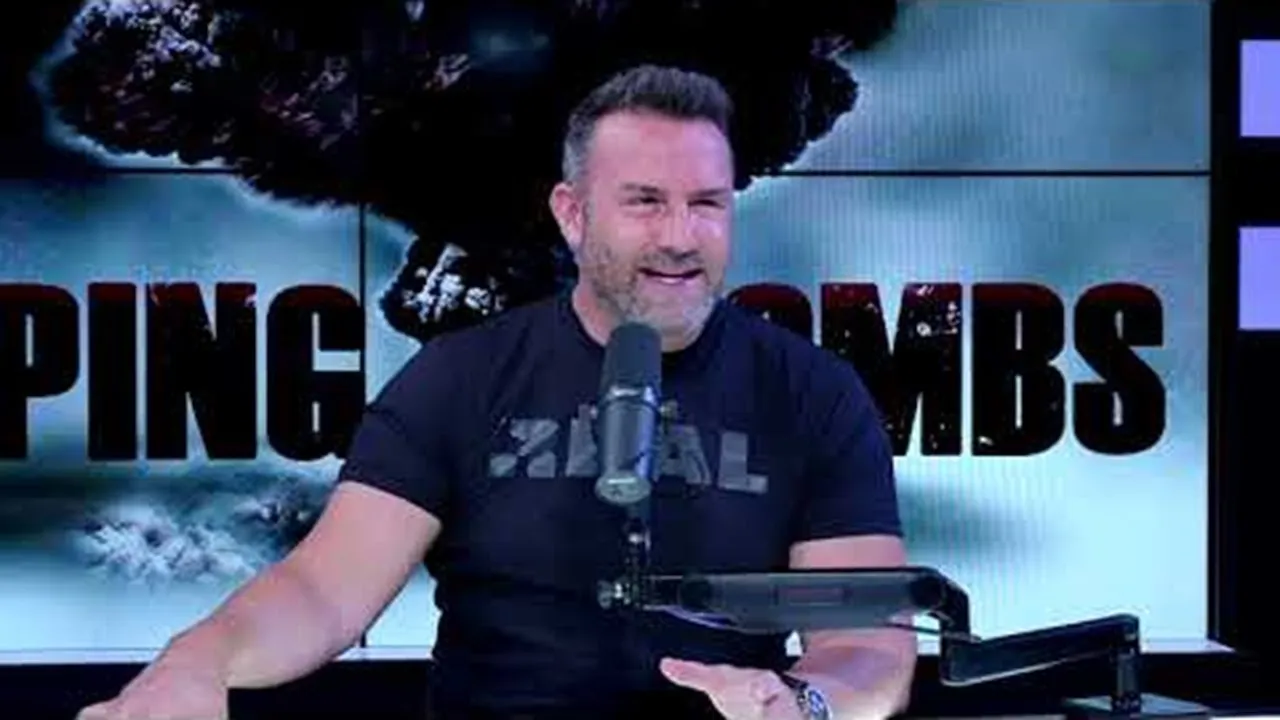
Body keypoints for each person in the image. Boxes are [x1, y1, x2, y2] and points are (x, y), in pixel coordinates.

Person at [77, 64, 916, 720]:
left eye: (706, 204)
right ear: (572, 213)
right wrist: (198, 661)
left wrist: (802, 702)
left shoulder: (813, 392)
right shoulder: (460, 378)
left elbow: (869, 641)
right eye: (644, 203)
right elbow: (322, 591)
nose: (680, 237)